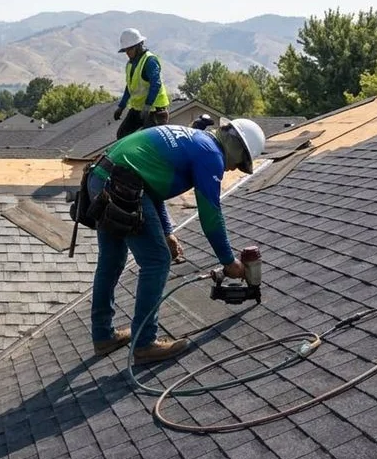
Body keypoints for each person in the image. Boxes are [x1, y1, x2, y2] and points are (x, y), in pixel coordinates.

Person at [84, 118, 266, 364]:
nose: (233, 169)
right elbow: (211, 214)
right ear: (236, 147)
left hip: (101, 177)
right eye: (240, 163)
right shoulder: (210, 153)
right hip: (121, 183)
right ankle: (145, 343)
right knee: (157, 261)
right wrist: (228, 261)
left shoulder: (194, 139)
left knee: (111, 260)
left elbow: (151, 182)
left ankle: (103, 336)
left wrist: (167, 231)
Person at [112, 28, 170, 139]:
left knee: (148, 140)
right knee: (122, 135)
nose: (127, 53)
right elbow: (130, 87)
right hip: (138, 109)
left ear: (139, 45)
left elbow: (156, 84)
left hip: (155, 110)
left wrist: (148, 106)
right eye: (126, 50)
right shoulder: (130, 64)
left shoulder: (150, 61)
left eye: (130, 49)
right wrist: (121, 107)